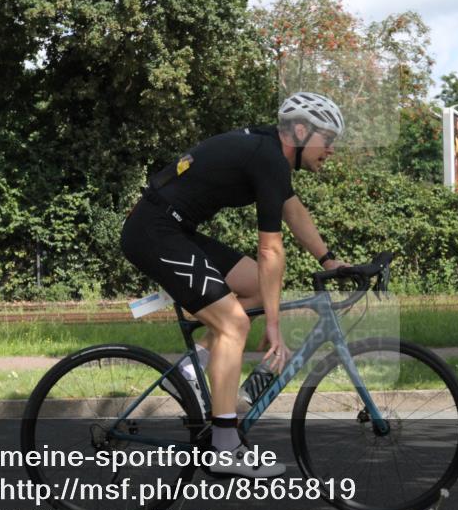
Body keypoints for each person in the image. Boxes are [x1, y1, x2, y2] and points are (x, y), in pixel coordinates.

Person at [120, 92, 350, 478]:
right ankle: (224, 447)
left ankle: (191, 375)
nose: (330, 150)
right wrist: (273, 326)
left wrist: (330, 260)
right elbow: (270, 250)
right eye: (327, 139)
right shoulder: (269, 158)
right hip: (154, 231)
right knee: (235, 323)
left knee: (258, 287)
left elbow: (293, 211)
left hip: (173, 229)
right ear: (299, 130)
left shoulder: (268, 153)